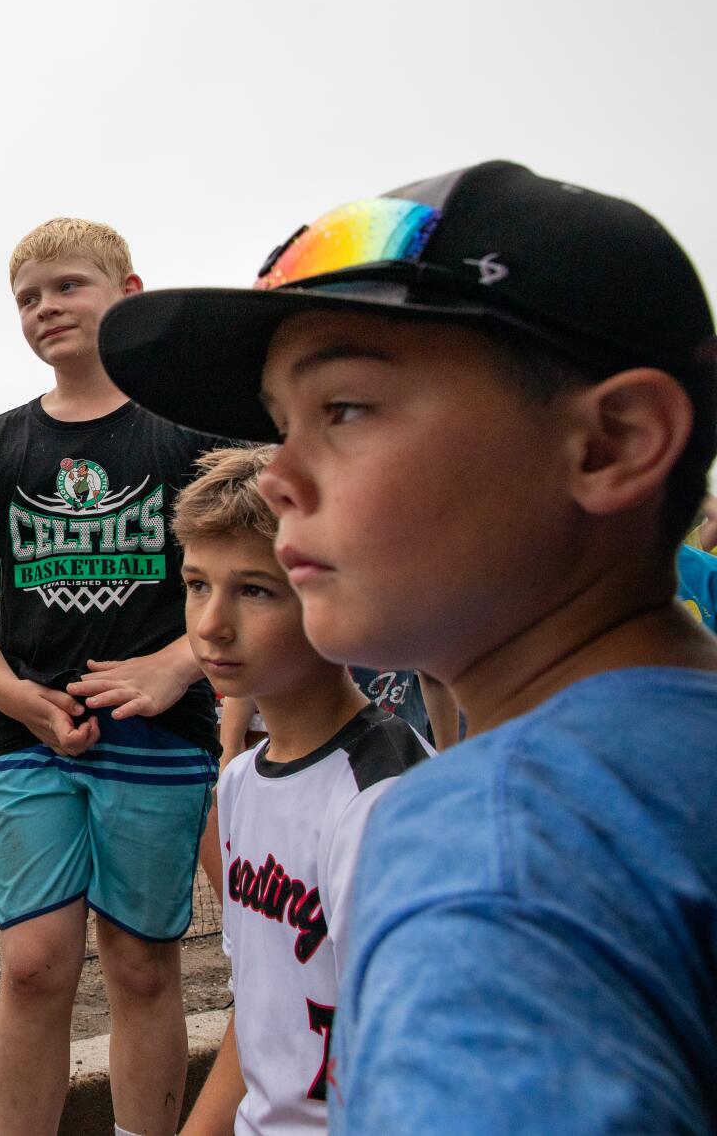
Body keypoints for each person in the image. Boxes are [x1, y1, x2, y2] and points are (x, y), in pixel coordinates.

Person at [98, 160, 717, 1132]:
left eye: (343, 408)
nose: (280, 480)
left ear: (611, 443)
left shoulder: (485, 850)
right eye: (279, 423)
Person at [0, 218, 223, 1135]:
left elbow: (258, 570)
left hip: (160, 738)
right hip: (30, 737)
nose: (46, 307)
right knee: (33, 966)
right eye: (27, 297)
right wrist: (14, 693)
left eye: (67, 286)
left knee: (140, 963)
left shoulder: (186, 433)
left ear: (127, 291)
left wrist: (176, 664)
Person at [171, 446, 429, 1136]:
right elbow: (260, 1013)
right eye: (197, 584)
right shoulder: (239, 786)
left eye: (255, 589)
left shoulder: (386, 800)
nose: (210, 622)